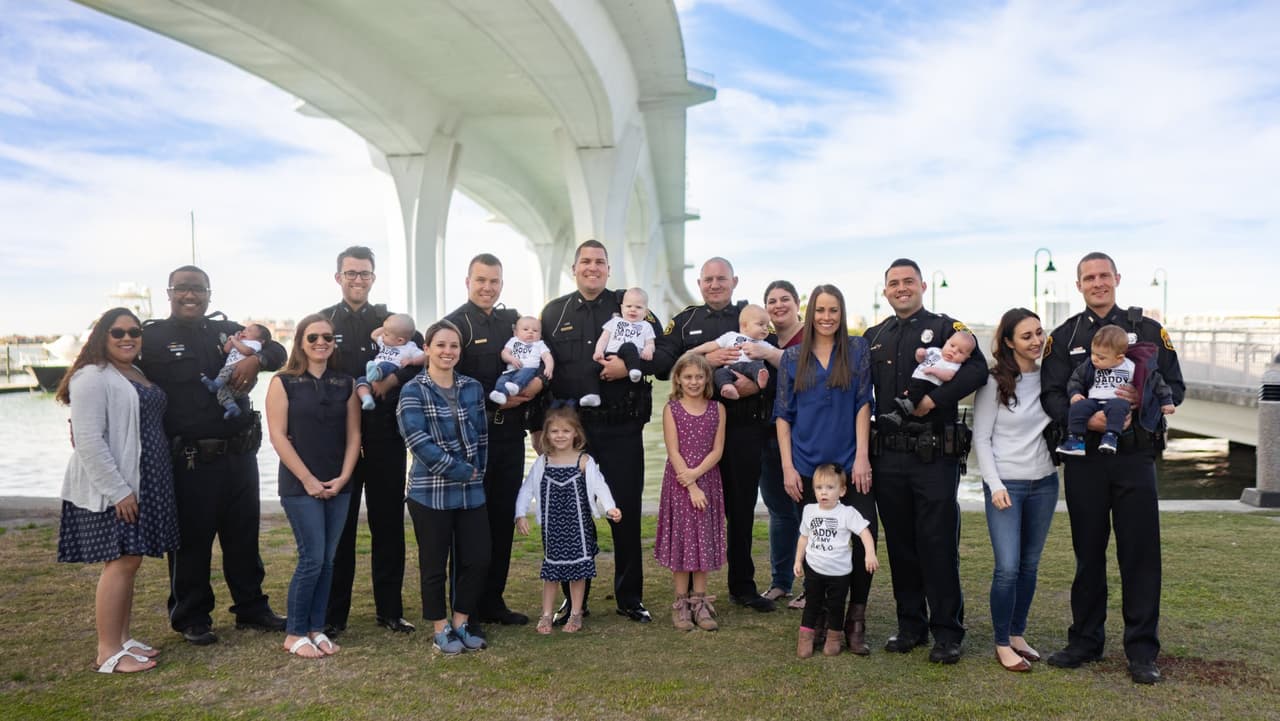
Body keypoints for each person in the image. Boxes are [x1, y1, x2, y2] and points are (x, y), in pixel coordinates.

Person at [1041, 252, 1184, 685]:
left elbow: (1175, 385)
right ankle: (1085, 640)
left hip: (1134, 456)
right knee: (1088, 554)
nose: (1098, 283)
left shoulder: (1148, 331)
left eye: (1104, 275)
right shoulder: (1064, 337)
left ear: (1117, 278)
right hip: (1085, 458)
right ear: (1079, 284)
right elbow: (1050, 394)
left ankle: (1142, 650)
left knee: (1140, 555)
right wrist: (1086, 417)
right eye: (1089, 277)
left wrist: (1144, 400)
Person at [138, 266, 288, 646]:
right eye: (183, 289)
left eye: (199, 289)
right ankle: (192, 615)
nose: (191, 296)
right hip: (190, 458)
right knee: (192, 540)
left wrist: (257, 360)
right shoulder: (152, 337)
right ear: (169, 292)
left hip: (239, 454)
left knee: (243, 536)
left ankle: (251, 607)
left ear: (209, 293)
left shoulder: (230, 331)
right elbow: (112, 368)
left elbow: (278, 349)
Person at [864, 258, 987, 664]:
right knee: (900, 544)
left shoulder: (950, 327)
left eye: (908, 281)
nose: (901, 288)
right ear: (885, 291)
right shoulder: (872, 336)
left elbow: (979, 371)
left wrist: (935, 399)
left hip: (934, 455)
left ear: (921, 286)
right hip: (888, 455)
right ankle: (910, 625)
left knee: (936, 543)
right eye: (894, 283)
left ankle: (948, 631)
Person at [540, 240, 667, 624]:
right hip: (572, 433)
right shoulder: (553, 312)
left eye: (600, 262)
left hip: (622, 427)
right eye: (585, 262)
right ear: (574, 267)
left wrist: (628, 366)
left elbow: (663, 359)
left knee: (623, 512)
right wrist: (538, 430)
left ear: (609, 269)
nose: (592, 268)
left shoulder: (631, 304)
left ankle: (630, 597)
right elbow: (543, 372)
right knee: (569, 515)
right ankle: (573, 600)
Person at [56, 308, 180, 673]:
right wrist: (118, 491)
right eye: (118, 332)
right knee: (121, 562)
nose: (128, 338)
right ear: (102, 337)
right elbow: (90, 442)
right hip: (119, 486)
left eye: (134, 331)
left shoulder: (135, 372)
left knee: (132, 560)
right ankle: (108, 651)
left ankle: (123, 639)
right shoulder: (91, 376)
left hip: (145, 481)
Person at [656, 257, 775, 613]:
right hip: (695, 432)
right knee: (694, 512)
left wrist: (753, 387)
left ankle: (743, 586)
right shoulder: (686, 320)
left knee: (740, 510)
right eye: (708, 279)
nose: (714, 285)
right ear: (699, 282)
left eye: (721, 279)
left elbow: (774, 363)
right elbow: (665, 367)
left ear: (734, 281)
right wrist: (708, 358)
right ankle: (690, 592)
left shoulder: (750, 316)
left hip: (741, 428)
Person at [773, 284, 877, 654]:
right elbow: (783, 416)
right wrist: (787, 466)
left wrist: (862, 456)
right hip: (805, 465)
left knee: (864, 537)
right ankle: (817, 618)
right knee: (818, 543)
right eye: (820, 310)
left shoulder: (857, 349)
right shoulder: (792, 357)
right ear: (810, 312)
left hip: (850, 463)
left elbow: (864, 403)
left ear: (842, 312)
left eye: (834, 310)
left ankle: (855, 620)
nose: (827, 317)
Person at [321, 246, 417, 637]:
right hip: (338, 439)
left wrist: (390, 380)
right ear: (338, 277)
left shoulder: (392, 321)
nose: (357, 279)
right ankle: (334, 615)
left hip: (386, 438)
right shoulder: (323, 321)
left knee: (388, 525)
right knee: (339, 529)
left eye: (364, 273)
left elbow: (422, 362)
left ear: (373, 278)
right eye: (350, 273)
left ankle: (390, 611)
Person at [445, 252, 540, 627]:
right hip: (470, 437)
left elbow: (537, 359)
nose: (487, 287)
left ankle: (493, 601)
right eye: (481, 280)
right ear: (468, 282)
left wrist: (533, 389)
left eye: (494, 281)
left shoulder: (512, 323)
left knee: (502, 519)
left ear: (502, 284)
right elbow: (448, 378)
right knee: (468, 525)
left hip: (509, 435)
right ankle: (464, 609)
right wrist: (492, 395)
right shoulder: (453, 324)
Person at [265, 314, 361, 658]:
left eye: (327, 337)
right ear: (301, 343)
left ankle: (316, 628)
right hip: (298, 484)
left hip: (339, 484)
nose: (321, 342)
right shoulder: (284, 382)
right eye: (313, 337)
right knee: (312, 558)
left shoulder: (345, 383)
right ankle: (294, 633)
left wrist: (344, 477)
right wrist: (307, 480)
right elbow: (277, 436)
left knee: (329, 560)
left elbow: (354, 434)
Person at [972, 308, 1059, 673]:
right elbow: (981, 437)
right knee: (1007, 567)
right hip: (1006, 485)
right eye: (1026, 336)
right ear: (1008, 342)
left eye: (1039, 333)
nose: (1036, 341)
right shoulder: (994, 381)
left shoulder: (1052, 378)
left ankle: (1018, 633)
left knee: (1029, 565)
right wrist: (994, 485)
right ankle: (1002, 642)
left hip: (1045, 481)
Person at [397, 319, 491, 655]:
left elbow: (481, 434)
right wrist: (461, 470)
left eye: (453, 346)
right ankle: (440, 630)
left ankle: (461, 621)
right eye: (440, 345)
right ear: (427, 349)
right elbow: (418, 442)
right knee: (434, 564)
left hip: (471, 490)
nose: (447, 351)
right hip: (429, 492)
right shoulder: (412, 390)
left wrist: (477, 470)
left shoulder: (472, 387)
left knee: (478, 559)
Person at [514, 408, 621, 634]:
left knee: (578, 571)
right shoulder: (543, 462)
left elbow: (600, 485)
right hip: (552, 527)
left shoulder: (584, 461)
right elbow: (526, 490)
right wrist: (520, 514)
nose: (560, 435)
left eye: (565, 430)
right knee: (551, 571)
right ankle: (546, 615)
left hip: (578, 527)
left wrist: (610, 507)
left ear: (576, 433)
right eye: (554, 431)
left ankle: (576, 613)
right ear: (547, 435)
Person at [655, 352, 727, 632]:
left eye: (699, 376)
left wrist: (698, 477)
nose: (694, 382)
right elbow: (673, 450)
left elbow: (717, 450)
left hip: (707, 480)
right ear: (678, 380)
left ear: (707, 378)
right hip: (679, 483)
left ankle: (700, 602)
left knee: (703, 541)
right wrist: (690, 484)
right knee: (684, 541)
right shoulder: (671, 409)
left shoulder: (717, 409)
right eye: (688, 377)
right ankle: (681, 603)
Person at [793, 464, 879, 658]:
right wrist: (798, 560)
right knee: (812, 604)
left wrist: (870, 553)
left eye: (830, 488)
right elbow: (803, 537)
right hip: (815, 569)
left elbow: (864, 532)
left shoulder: (847, 513)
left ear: (842, 490)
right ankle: (805, 638)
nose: (824, 493)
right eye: (819, 488)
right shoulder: (809, 510)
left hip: (839, 572)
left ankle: (833, 639)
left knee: (836, 606)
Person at [756, 281, 806, 607]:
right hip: (767, 436)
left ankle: (813, 584)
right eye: (771, 301)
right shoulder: (765, 339)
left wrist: (773, 356)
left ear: (797, 303)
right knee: (779, 512)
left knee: (809, 511)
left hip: (804, 438)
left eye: (784, 299)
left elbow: (809, 374)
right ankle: (781, 581)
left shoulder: (813, 338)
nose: (778, 305)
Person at [1056, 325, 1176, 456]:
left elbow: (1156, 382)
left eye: (1101, 357)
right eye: (1093, 354)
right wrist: (1075, 393)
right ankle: (1076, 440)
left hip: (1117, 401)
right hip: (1094, 401)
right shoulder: (1089, 365)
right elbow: (1076, 379)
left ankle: (1111, 437)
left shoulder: (1131, 367)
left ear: (1119, 358)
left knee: (1118, 408)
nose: (1095, 359)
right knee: (1078, 407)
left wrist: (1166, 401)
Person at [877, 330, 977, 429]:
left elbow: (948, 376)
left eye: (960, 352)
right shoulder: (934, 350)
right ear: (946, 342)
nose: (954, 351)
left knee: (913, 398)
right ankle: (895, 415)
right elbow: (920, 360)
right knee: (906, 397)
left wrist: (934, 371)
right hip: (916, 380)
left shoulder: (954, 364)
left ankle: (903, 408)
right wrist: (920, 354)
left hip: (929, 383)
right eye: (952, 345)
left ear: (966, 358)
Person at [585, 287, 657, 404]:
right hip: (610, 355)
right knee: (590, 368)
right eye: (629, 306)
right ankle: (593, 394)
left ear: (646, 312)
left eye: (638, 307)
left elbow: (650, 343)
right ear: (622, 308)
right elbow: (603, 339)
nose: (633, 310)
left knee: (629, 346)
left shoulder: (646, 326)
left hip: (631, 355)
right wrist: (598, 351)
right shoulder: (615, 321)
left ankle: (634, 371)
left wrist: (649, 349)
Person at [690, 303, 775, 400]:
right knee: (719, 373)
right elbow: (712, 345)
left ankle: (761, 379)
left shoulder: (763, 344)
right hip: (730, 369)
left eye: (767, 326)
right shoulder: (731, 336)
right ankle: (728, 388)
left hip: (749, 369)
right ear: (745, 326)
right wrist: (694, 351)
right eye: (760, 324)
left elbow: (777, 354)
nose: (765, 328)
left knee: (758, 367)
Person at [201, 323, 271, 419]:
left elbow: (247, 351)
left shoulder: (255, 343)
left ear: (261, 340)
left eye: (249, 331)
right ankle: (232, 407)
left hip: (237, 370)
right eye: (245, 330)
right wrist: (233, 340)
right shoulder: (240, 341)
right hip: (230, 375)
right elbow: (226, 349)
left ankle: (215, 385)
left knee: (225, 372)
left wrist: (235, 341)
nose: (244, 331)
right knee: (222, 392)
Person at [356, 313, 425, 410]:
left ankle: (376, 373)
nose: (383, 335)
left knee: (385, 365)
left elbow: (426, 357)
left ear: (400, 340)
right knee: (361, 381)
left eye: (386, 334)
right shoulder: (384, 342)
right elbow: (374, 335)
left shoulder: (409, 347)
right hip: (373, 372)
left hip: (391, 367)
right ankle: (367, 399)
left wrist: (412, 361)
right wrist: (386, 328)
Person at [489, 315, 553, 406]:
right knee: (503, 379)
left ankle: (517, 386)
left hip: (529, 369)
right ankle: (500, 394)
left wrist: (549, 368)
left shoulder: (539, 344)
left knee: (524, 374)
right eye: (525, 329)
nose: (530, 332)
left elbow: (547, 357)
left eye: (535, 331)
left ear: (540, 335)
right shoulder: (513, 341)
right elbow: (504, 353)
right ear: (516, 332)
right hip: (511, 370)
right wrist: (511, 359)